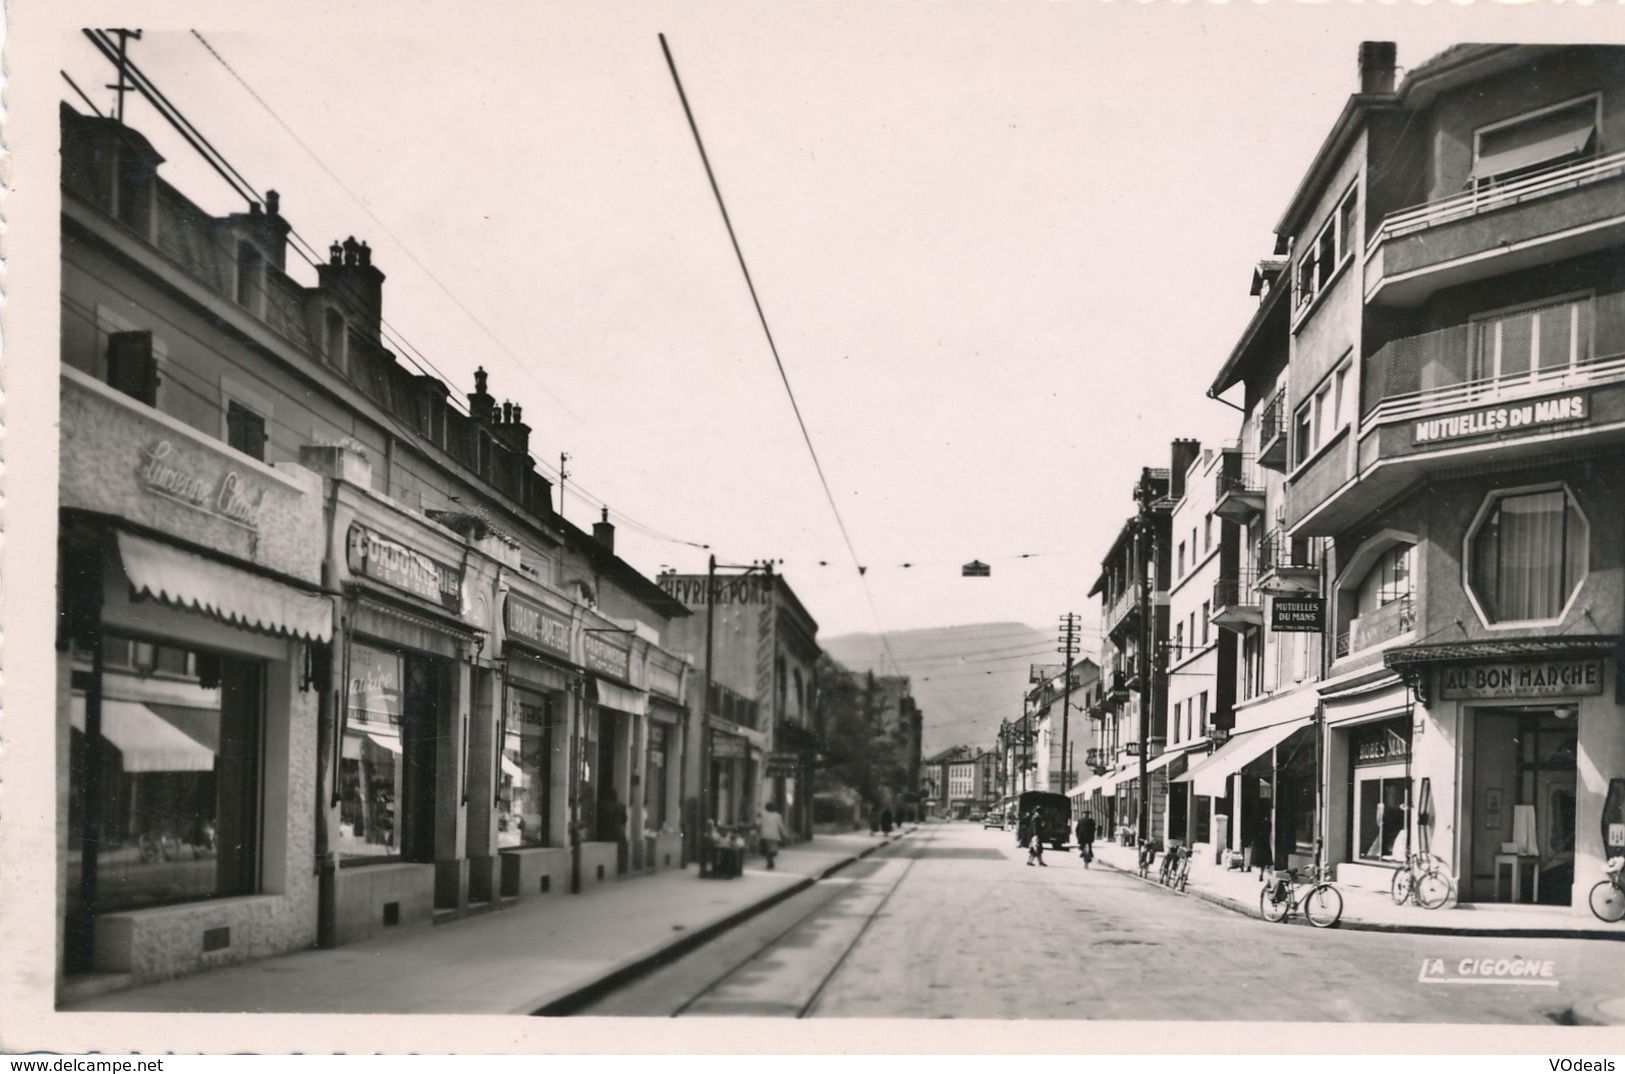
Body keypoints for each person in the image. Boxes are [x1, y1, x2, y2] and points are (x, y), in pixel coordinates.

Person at [758, 801, 788, 870]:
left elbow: (758, 824)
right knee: (774, 851)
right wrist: (783, 833)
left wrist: (758, 830)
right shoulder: (778, 816)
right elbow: (780, 826)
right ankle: (770, 859)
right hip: (774, 835)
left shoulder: (763, 815)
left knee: (766, 850)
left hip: (764, 835)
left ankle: (769, 860)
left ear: (766, 807)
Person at [1251, 806, 1275, 877]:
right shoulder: (1267, 823)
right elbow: (1268, 832)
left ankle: (1261, 872)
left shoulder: (1257, 822)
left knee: (1260, 859)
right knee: (1263, 859)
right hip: (1263, 842)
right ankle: (1262, 872)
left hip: (1259, 842)